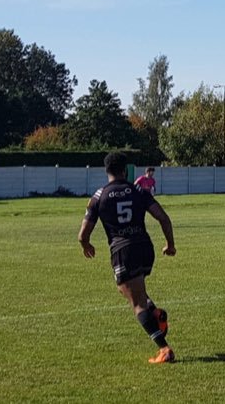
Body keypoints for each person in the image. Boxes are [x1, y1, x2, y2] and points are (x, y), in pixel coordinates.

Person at [77, 152, 178, 364]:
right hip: (145, 248)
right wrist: (170, 245)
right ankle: (155, 313)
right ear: (125, 170)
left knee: (136, 303)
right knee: (130, 290)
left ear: (107, 171)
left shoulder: (99, 196)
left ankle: (165, 349)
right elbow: (163, 218)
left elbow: (83, 234)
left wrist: (86, 244)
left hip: (123, 250)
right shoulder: (138, 190)